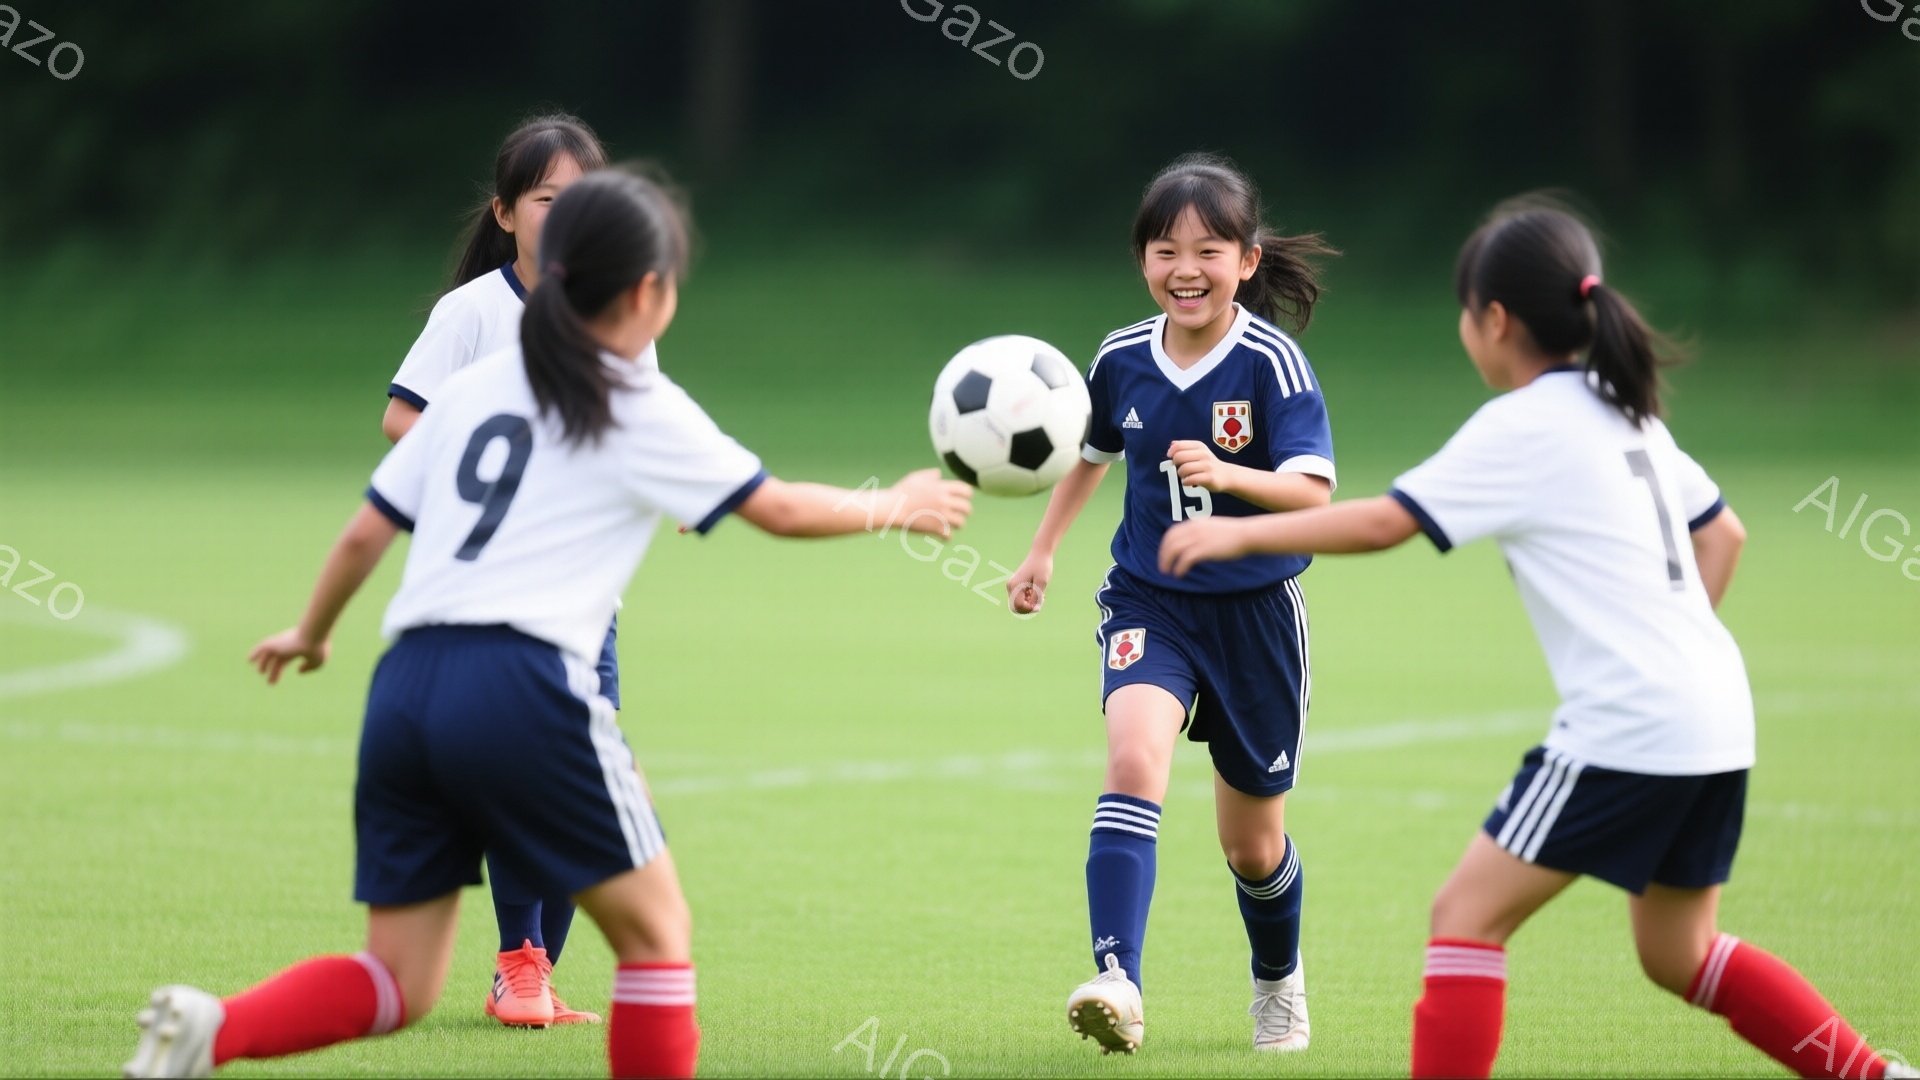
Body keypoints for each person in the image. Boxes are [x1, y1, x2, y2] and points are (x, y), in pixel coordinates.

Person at [124, 167, 973, 1080]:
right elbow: (780, 509)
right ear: (649, 290)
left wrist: (312, 631)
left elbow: (365, 532)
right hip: (523, 686)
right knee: (656, 936)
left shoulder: (476, 386)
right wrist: (900, 503)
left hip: (405, 687)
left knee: (398, 981)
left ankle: (213, 1031)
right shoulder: (631, 395)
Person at [1158, 196, 1914, 1080]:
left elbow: (1382, 524)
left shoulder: (1523, 424)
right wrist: (1674, 647)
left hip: (1630, 726)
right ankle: (1874, 1076)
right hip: (1718, 715)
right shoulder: (1627, 409)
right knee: (1681, 954)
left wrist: (1238, 531)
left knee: (1465, 918)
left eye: (1463, 314)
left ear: (1495, 320)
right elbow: (1726, 536)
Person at [1006, 153, 1338, 1055]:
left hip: (1257, 615)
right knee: (1133, 762)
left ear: (1248, 261)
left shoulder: (1272, 363)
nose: (1185, 268)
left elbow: (1315, 495)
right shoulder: (1119, 358)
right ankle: (1118, 979)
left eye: (1208, 249)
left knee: (1252, 847)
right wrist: (1041, 551)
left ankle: (1277, 982)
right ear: (1142, 260)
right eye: (1164, 249)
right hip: (1149, 603)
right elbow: (1088, 453)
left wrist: (1229, 474)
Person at [384, 111, 611, 1027]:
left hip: (589, 592)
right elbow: (402, 418)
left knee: (581, 789)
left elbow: (631, 426)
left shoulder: (615, 309)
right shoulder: (471, 311)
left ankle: (532, 972)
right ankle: (520, 965)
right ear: (507, 213)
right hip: (493, 591)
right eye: (545, 198)